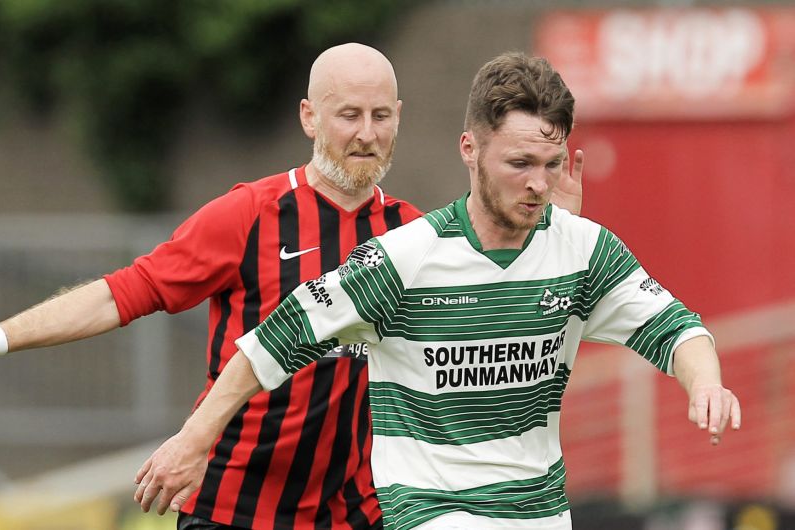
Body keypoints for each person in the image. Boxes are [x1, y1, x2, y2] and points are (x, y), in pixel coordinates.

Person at [0, 45, 583, 529]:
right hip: (233, 510)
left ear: (398, 116)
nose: (366, 135)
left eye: (380, 116)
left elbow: (505, 325)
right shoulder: (250, 215)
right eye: (348, 116)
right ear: (310, 117)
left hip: (355, 514)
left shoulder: (413, 238)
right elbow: (124, 292)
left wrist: (556, 235)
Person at [132, 51, 740, 530]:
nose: (539, 183)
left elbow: (677, 329)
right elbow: (274, 340)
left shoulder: (583, 250)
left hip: (540, 514)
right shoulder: (406, 256)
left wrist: (705, 382)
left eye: (551, 165)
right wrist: (194, 438)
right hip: (428, 513)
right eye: (519, 163)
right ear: (470, 150)